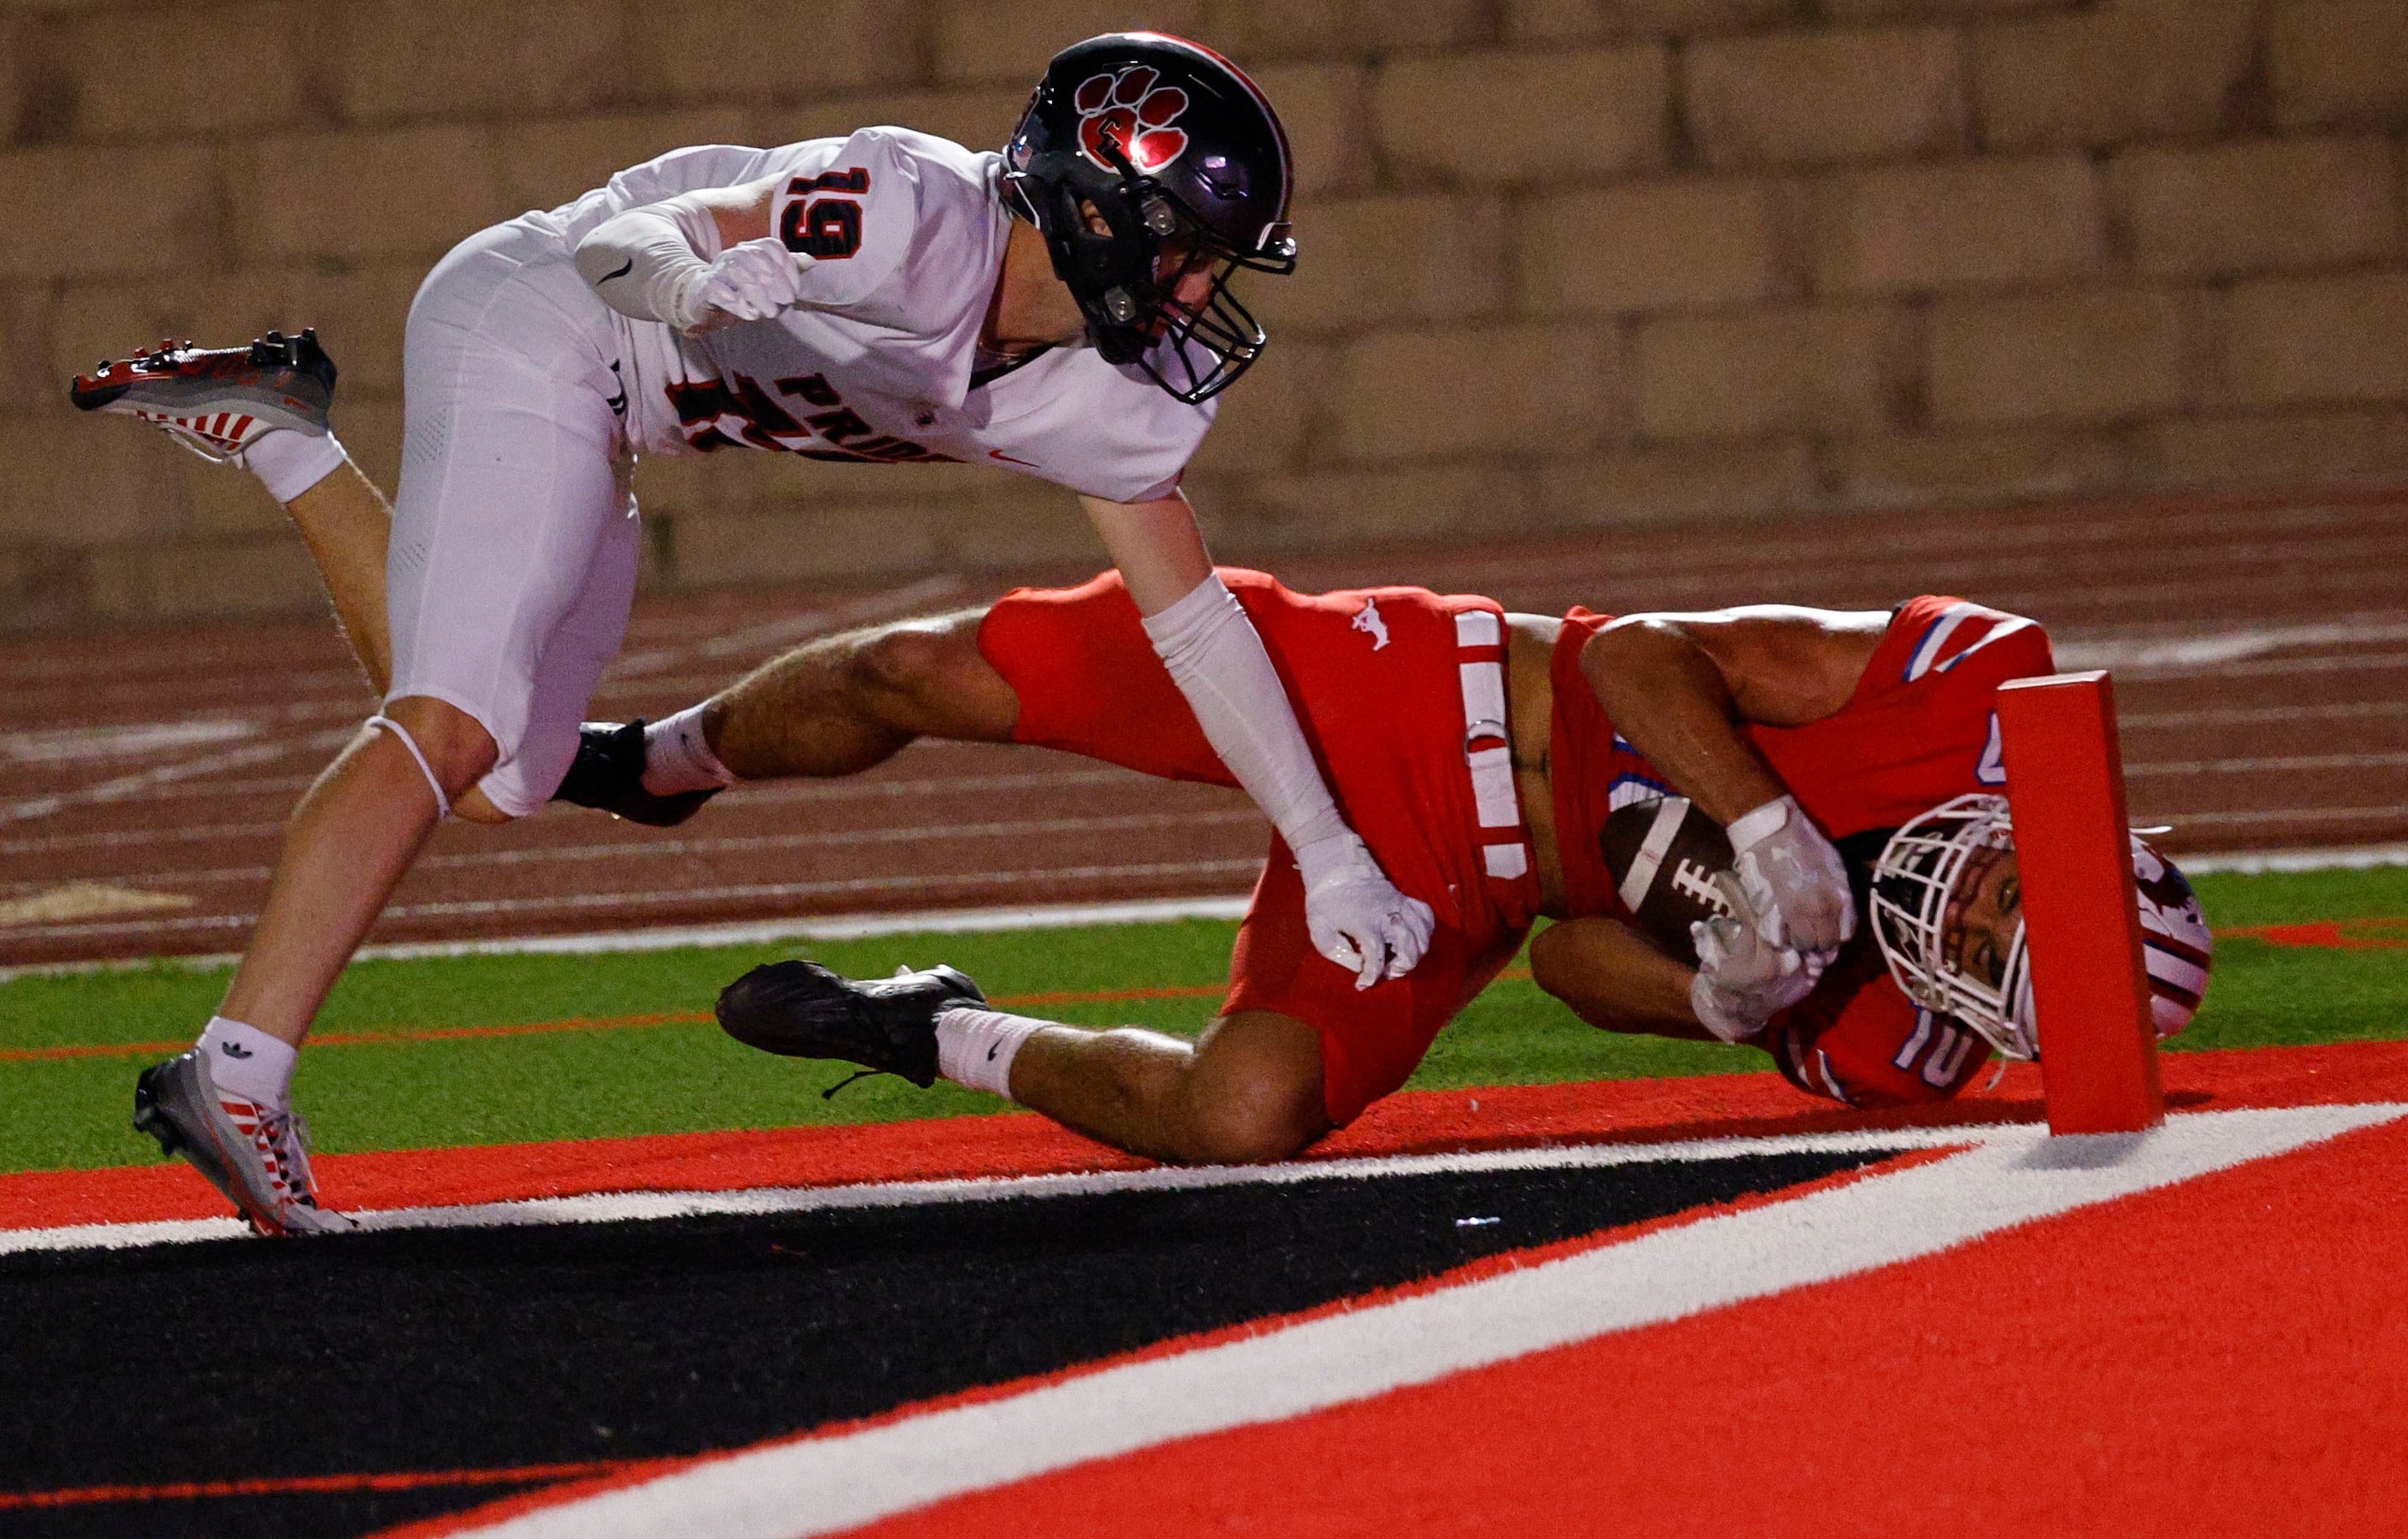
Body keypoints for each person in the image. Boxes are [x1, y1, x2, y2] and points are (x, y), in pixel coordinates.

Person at [71, 33, 1435, 1236]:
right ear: (1096, 211)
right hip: (549, 313)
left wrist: (1327, 852)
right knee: (449, 723)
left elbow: (1197, 628)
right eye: (1190, 255)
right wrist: (692, 289)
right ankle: (233, 1075)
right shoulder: (913, 215)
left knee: (498, 781)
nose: (1199, 298)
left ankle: (286, 439)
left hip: (621, 405)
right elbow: (619, 249)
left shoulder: (1103, 389)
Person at [567, 571, 2211, 1163]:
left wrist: (1717, 993)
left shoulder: (1894, 1054)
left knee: (1242, 1117)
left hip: (1462, 884)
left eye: (2002, 941)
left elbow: (1569, 961)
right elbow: (1639, 653)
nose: (1976, 899)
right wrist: (1769, 825)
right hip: (1426, 698)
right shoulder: (1982, 690)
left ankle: (936, 1028)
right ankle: (659, 764)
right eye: (2022, 879)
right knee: (924, 676)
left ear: (2000, 1015)